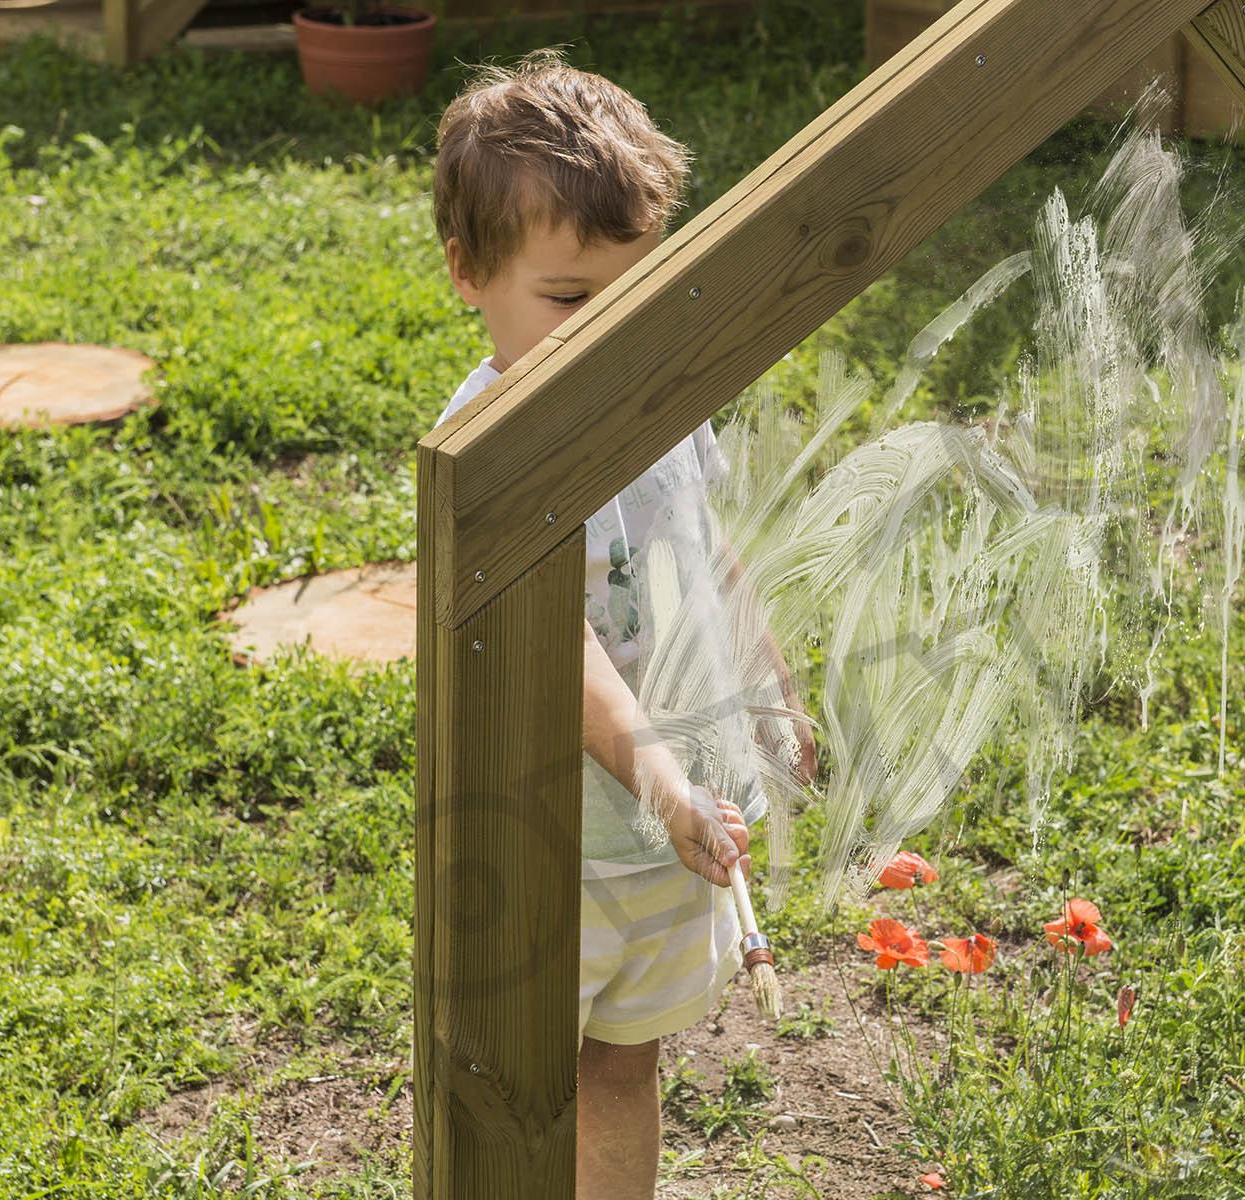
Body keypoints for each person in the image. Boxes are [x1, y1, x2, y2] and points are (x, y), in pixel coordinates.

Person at [430, 49, 816, 1200]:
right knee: (513, 1077)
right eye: (567, 302)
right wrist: (661, 785)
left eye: (634, 297)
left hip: (664, 830)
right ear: (468, 273)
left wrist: (767, 686)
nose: (606, 339)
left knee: (621, 1065)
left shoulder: (656, 401)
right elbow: (561, 649)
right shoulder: (490, 450)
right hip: (541, 831)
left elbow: (707, 553)